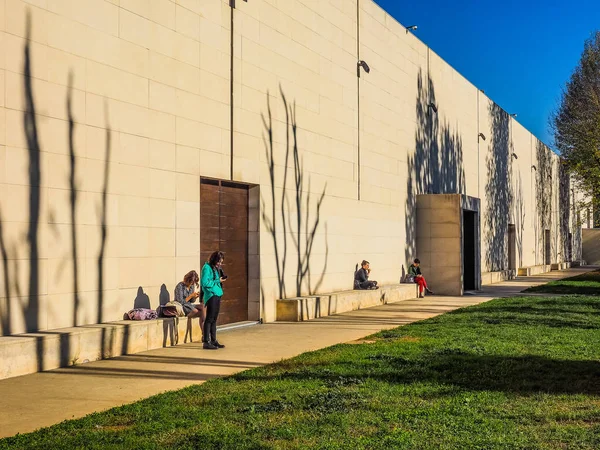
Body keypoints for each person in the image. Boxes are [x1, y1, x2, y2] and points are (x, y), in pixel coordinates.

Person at [201, 251, 227, 350]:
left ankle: (213, 340)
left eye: (221, 262)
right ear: (214, 259)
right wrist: (217, 281)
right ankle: (206, 341)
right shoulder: (206, 268)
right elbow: (205, 282)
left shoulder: (215, 268)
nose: (220, 264)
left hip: (217, 294)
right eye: (218, 261)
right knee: (209, 318)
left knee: (214, 319)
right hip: (211, 295)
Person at [174, 270, 206, 338]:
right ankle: (205, 333)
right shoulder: (180, 286)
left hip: (189, 305)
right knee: (197, 311)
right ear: (187, 279)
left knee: (203, 307)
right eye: (191, 282)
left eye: (193, 283)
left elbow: (192, 301)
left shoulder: (191, 286)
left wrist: (195, 297)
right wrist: (191, 296)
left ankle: (204, 332)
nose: (192, 284)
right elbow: (180, 301)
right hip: (182, 306)